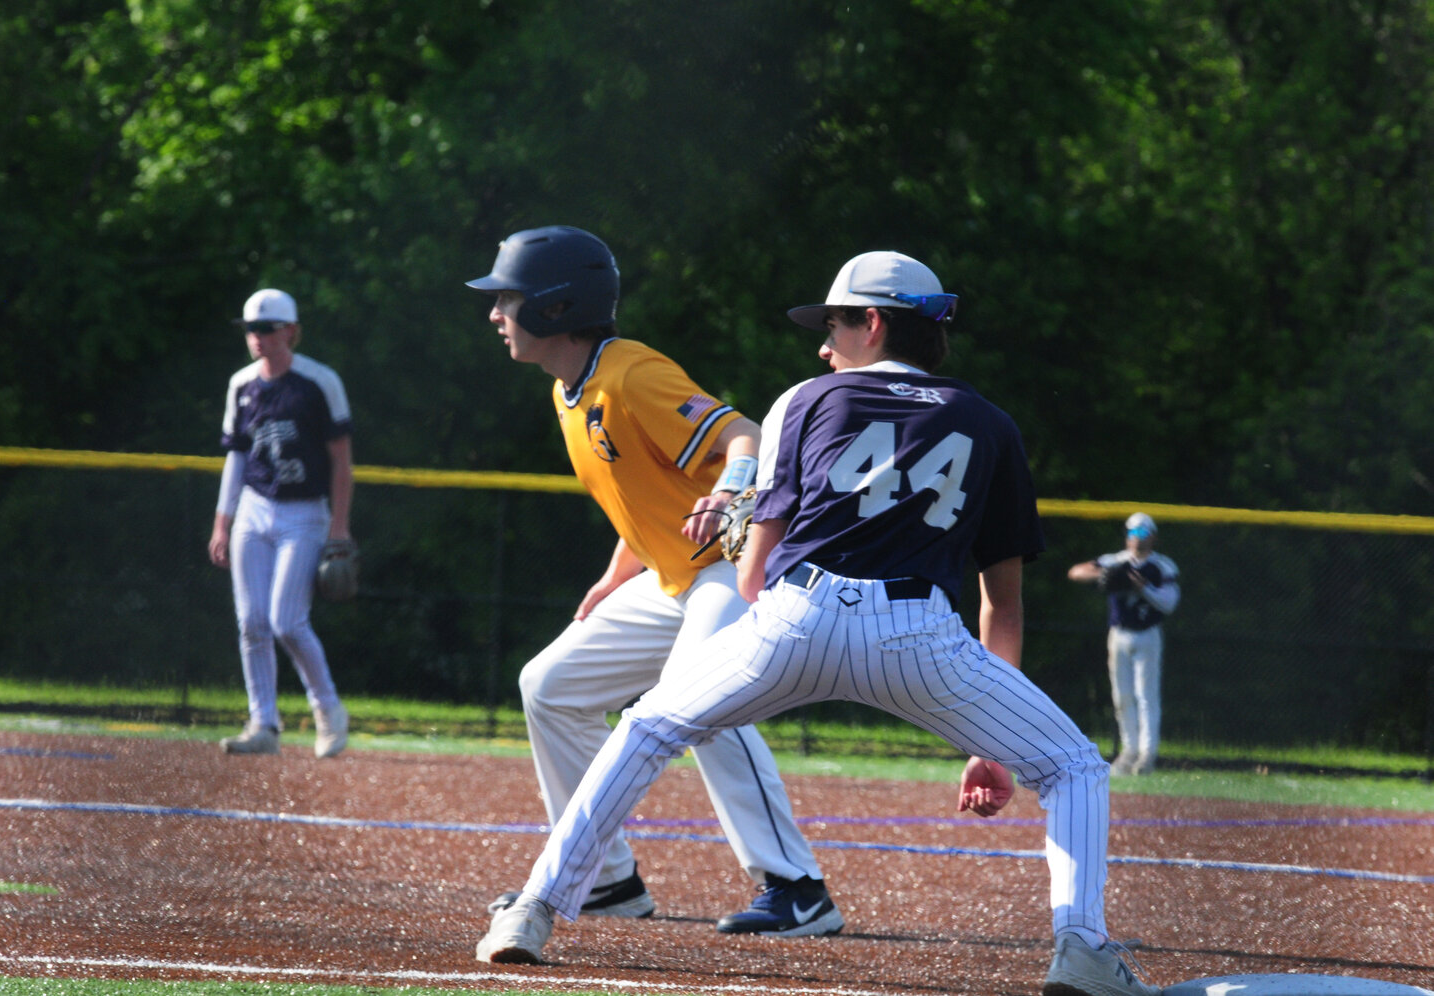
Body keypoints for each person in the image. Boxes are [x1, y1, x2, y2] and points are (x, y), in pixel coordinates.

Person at [475, 250, 1163, 996]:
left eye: (834, 325)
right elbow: (1003, 598)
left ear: (873, 323)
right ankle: (1083, 953)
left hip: (797, 612)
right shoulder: (989, 422)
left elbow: (752, 572)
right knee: (1073, 766)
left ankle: (534, 911)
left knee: (646, 728)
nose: (822, 345)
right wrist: (988, 748)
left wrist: (747, 569)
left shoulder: (806, 400)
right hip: (920, 634)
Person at [464, 226, 842, 935]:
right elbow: (643, 496)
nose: (494, 314)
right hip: (673, 578)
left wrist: (730, 491)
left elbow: (746, 437)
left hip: (729, 571)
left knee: (698, 698)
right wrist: (615, 577)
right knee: (549, 686)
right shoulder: (568, 389)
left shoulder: (631, 371)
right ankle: (606, 879)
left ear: (553, 307)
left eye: (506, 298)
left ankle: (797, 887)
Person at [208, 288, 353, 760]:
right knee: (251, 621)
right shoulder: (240, 384)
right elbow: (236, 457)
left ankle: (328, 710)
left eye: (267, 329)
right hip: (254, 507)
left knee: (287, 621)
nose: (258, 338)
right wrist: (222, 523)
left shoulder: (318, 381)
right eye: (251, 330)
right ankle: (263, 723)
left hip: (304, 511)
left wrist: (340, 526)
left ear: (291, 331)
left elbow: (341, 462)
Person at [1067, 513, 1180, 776]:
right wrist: (1103, 573)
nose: (1137, 539)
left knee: (1145, 695)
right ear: (1127, 535)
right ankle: (1129, 753)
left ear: (1153, 537)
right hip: (1119, 634)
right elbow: (1075, 572)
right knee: (1122, 696)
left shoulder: (1162, 566)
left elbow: (1170, 603)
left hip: (1148, 634)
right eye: (1133, 533)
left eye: (1143, 534)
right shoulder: (1116, 561)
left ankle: (1147, 755)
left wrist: (1145, 589)